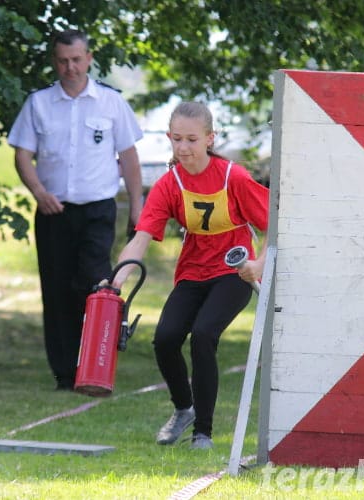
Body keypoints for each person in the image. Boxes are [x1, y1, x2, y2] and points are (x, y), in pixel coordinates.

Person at [107, 101, 269, 449]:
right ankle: (184, 409)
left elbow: (279, 223)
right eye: (177, 139)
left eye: (192, 140)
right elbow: (141, 238)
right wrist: (117, 281)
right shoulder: (169, 184)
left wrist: (259, 265)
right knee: (165, 339)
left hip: (234, 273)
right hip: (192, 273)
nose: (183, 147)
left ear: (210, 139)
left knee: (203, 335)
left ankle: (203, 434)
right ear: (169, 138)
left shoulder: (233, 177)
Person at [7, 29, 143, 391]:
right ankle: (66, 374)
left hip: (98, 209)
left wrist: (137, 209)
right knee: (57, 291)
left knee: (95, 285)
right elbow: (22, 156)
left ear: (89, 58)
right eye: (63, 61)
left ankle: (97, 365)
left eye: (77, 60)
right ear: (55, 61)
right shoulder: (38, 103)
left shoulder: (111, 102)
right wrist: (38, 193)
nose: (70, 67)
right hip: (54, 212)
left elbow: (129, 157)